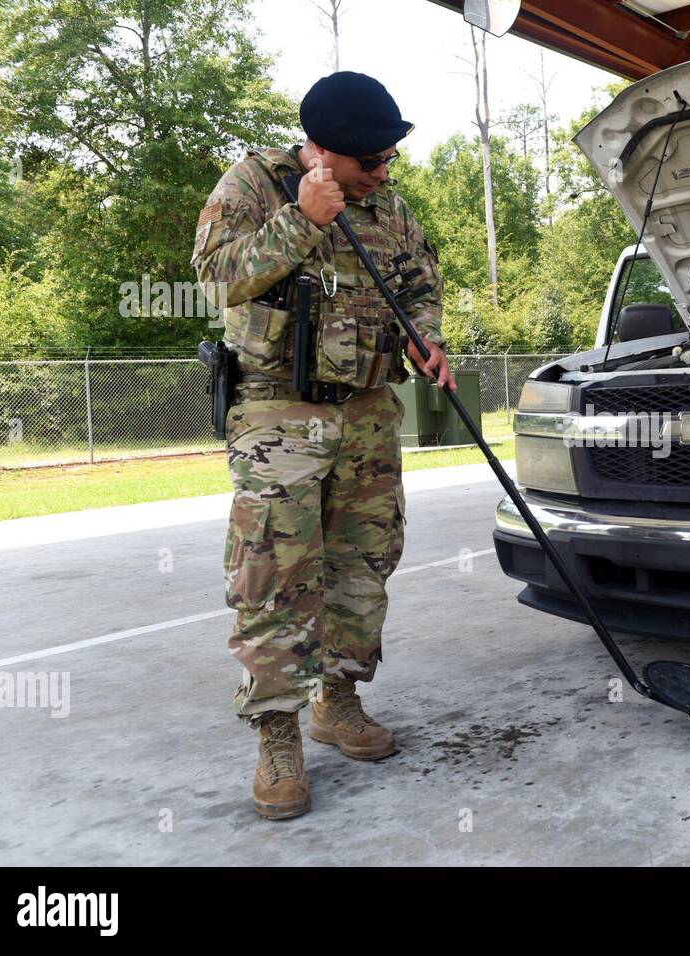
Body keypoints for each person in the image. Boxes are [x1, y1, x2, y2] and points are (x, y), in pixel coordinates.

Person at [192, 71, 453, 819]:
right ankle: (277, 733)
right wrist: (301, 220)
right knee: (274, 571)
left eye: (388, 159)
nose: (382, 171)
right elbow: (215, 280)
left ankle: (336, 702)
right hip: (279, 409)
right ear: (323, 150)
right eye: (370, 160)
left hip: (369, 406)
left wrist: (426, 338)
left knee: (365, 560)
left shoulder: (386, 205)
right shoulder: (254, 184)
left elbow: (420, 281)